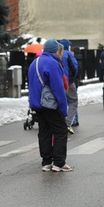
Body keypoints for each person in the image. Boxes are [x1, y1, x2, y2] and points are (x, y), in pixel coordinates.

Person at [28, 39, 73, 172]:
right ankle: (59, 163)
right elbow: (58, 88)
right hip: (50, 104)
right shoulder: (53, 63)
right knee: (60, 131)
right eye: (61, 52)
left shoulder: (34, 62)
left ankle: (46, 162)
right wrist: (63, 108)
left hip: (37, 104)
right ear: (57, 51)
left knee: (44, 132)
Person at [59, 39, 79, 134]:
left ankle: (59, 122)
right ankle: (68, 123)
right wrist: (73, 79)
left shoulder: (56, 54)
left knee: (60, 102)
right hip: (69, 82)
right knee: (73, 101)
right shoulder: (68, 54)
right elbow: (75, 68)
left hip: (58, 82)